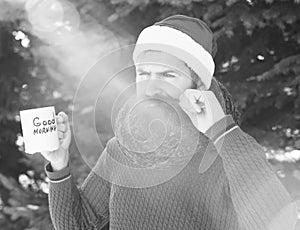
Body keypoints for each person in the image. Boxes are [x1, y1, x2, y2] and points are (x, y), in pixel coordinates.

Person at [41, 15, 298, 230]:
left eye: (168, 75)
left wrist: (221, 130)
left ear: (197, 84)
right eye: (144, 74)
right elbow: (78, 224)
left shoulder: (224, 148)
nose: (152, 87)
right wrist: (59, 163)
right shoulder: (121, 149)